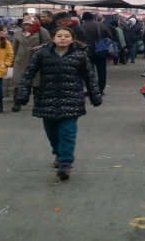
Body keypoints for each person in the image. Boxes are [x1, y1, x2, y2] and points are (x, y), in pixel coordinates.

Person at [16, 27, 101, 180]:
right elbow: (28, 73)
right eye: (59, 36)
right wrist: (23, 94)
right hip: (47, 99)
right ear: (53, 38)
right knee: (52, 133)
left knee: (68, 132)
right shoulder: (42, 54)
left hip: (72, 99)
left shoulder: (80, 55)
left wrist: (95, 96)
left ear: (72, 38)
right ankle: (58, 152)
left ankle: (65, 163)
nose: (63, 38)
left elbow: (89, 76)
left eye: (66, 36)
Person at [11, 17, 50, 112]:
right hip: (20, 61)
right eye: (25, 24)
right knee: (18, 83)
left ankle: (38, 103)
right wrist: (12, 60)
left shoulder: (42, 31)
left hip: (37, 61)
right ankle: (17, 102)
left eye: (30, 25)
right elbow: (14, 47)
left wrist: (40, 47)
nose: (27, 27)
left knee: (37, 83)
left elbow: (49, 43)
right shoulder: (18, 33)